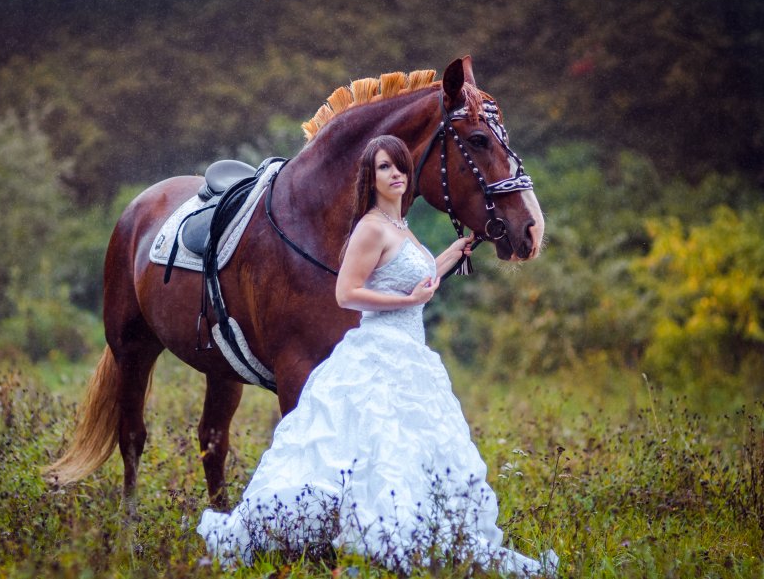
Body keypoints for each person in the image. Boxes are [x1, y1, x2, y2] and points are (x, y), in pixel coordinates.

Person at [197, 135, 556, 576]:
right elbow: (347, 293)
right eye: (386, 167)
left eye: (401, 166)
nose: (397, 175)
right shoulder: (369, 226)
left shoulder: (402, 227)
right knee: (378, 447)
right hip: (377, 351)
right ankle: (370, 533)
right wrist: (405, 303)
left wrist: (446, 258)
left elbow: (414, 282)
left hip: (410, 354)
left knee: (409, 448)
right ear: (372, 177)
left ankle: (407, 528)